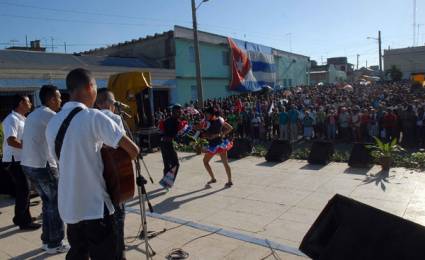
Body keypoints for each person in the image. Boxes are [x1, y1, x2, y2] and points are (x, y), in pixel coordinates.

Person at [45, 68, 140, 260]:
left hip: (70, 207)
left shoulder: (53, 123)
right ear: (90, 87)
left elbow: (62, 160)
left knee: (78, 254)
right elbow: (133, 151)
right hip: (96, 207)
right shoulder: (94, 117)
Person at [21, 85, 68, 254]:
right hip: (42, 165)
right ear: (51, 99)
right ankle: (56, 242)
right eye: (59, 97)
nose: (61, 101)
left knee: (48, 203)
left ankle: (47, 241)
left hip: (29, 164)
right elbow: (65, 135)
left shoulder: (34, 114)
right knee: (55, 204)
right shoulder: (49, 115)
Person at [95, 88, 127, 260]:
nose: (115, 106)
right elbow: (121, 145)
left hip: (98, 172)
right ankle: (119, 252)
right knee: (119, 212)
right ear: (107, 103)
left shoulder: (91, 119)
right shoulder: (114, 118)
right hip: (115, 171)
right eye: (114, 102)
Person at [1, 94, 40, 230]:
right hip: (14, 160)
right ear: (20, 103)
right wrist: (29, 146)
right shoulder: (11, 119)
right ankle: (23, 221)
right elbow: (11, 140)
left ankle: (23, 217)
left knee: (24, 190)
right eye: (28, 102)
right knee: (23, 190)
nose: (30, 104)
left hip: (22, 159)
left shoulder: (22, 119)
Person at [202, 107, 234, 187]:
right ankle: (229, 181)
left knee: (205, 162)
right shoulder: (219, 120)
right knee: (225, 163)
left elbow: (230, 128)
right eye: (205, 113)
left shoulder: (208, 122)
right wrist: (220, 134)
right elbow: (230, 128)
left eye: (207, 113)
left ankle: (213, 179)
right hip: (221, 144)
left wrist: (216, 135)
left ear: (211, 113)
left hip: (214, 146)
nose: (205, 115)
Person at [158, 104, 187, 189]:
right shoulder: (177, 122)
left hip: (163, 144)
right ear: (174, 112)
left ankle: (165, 183)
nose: (181, 113)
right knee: (176, 164)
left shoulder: (166, 120)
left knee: (166, 164)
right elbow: (177, 135)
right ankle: (167, 182)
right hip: (168, 144)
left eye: (180, 111)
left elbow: (161, 131)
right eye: (179, 111)